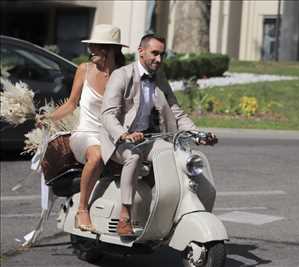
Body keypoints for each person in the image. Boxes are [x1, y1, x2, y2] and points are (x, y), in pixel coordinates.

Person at [100, 34, 213, 236]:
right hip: (119, 140)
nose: (159, 59)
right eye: (154, 53)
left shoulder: (159, 78)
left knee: (176, 155)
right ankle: (124, 216)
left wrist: (199, 134)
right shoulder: (122, 75)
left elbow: (176, 112)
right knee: (132, 157)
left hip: (149, 139)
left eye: (162, 55)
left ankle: (168, 213)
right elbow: (108, 115)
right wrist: (124, 134)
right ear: (141, 51)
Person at [41, 24, 127, 232]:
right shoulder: (84, 69)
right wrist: (48, 118)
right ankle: (82, 210)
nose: (91, 50)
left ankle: (128, 215)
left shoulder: (124, 75)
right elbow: (71, 104)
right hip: (85, 134)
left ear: (109, 50)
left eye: (95, 46)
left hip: (113, 136)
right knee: (96, 155)